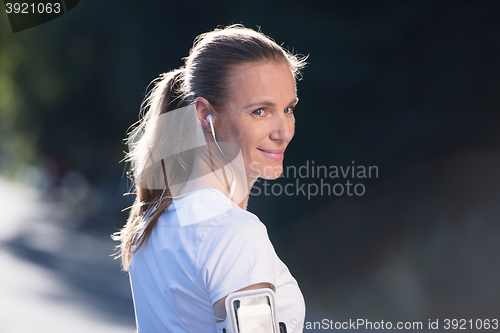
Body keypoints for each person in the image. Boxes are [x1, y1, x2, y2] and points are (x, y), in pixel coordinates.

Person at [113, 24, 307, 332]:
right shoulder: (235, 233)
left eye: (288, 109)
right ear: (205, 115)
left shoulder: (155, 220)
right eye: (260, 111)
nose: (283, 131)